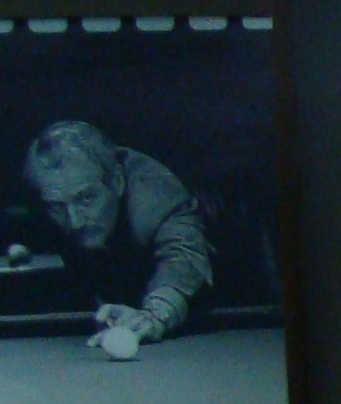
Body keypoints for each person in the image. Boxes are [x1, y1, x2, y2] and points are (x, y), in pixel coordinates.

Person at [20, 120, 215, 347]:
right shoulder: (45, 199)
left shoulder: (155, 200)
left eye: (86, 198)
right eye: (56, 206)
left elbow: (184, 257)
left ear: (118, 181)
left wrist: (155, 313)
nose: (74, 221)